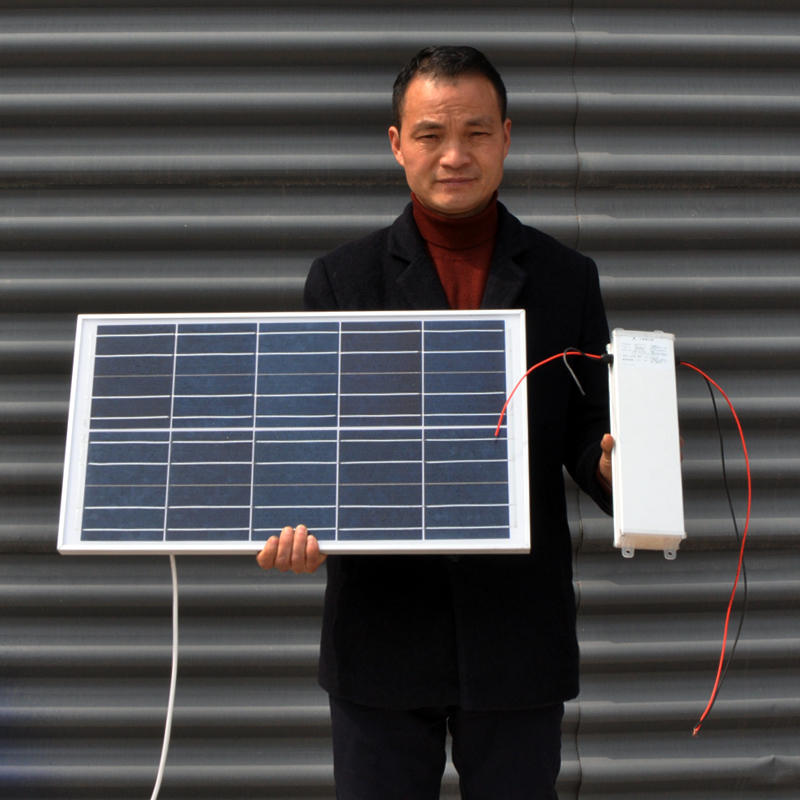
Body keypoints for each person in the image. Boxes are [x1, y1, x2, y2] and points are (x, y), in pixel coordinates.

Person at [257, 46, 614, 800]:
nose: (455, 155)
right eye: (430, 134)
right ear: (397, 144)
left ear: (506, 138)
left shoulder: (565, 278)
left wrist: (616, 466)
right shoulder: (344, 280)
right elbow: (311, 442)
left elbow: (589, 425)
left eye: (477, 132)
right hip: (380, 634)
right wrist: (293, 522)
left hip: (519, 634)